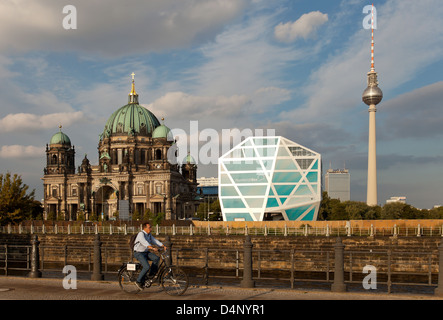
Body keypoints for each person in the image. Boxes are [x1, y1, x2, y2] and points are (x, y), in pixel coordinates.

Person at [133, 221, 165, 289]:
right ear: (145, 228)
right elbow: (144, 242)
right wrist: (152, 248)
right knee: (146, 266)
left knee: (156, 258)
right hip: (138, 253)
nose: (151, 229)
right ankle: (138, 281)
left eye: (151, 227)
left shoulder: (149, 235)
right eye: (150, 227)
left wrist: (163, 245)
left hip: (145, 252)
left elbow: (155, 241)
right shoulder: (141, 234)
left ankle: (151, 275)